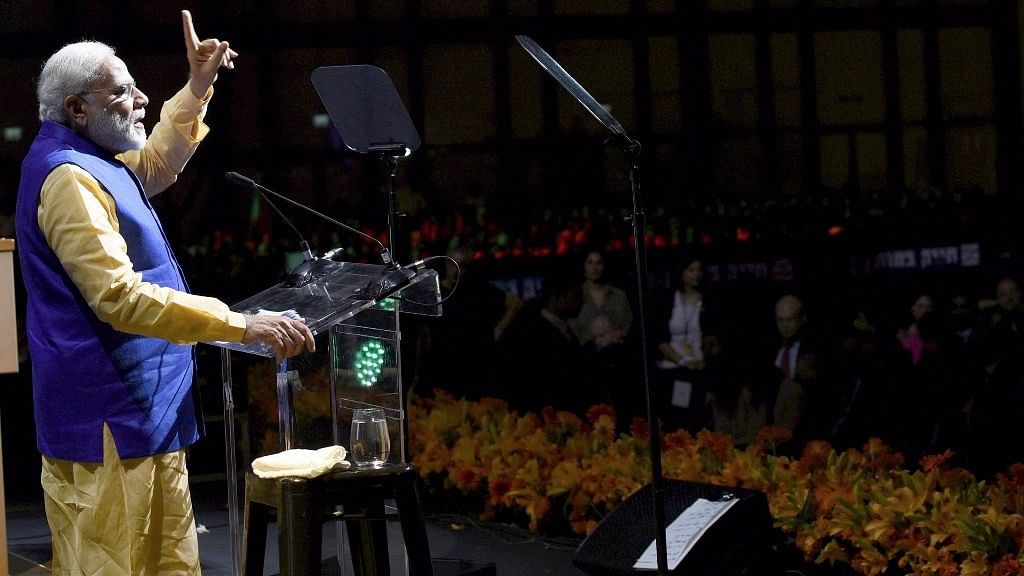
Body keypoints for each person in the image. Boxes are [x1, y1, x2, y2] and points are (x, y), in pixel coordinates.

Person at [15, 12, 315, 574]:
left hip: (143, 416)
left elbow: (154, 164)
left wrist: (198, 86)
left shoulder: (94, 161)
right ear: (78, 109)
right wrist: (237, 325)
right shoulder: (69, 180)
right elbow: (121, 298)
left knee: (167, 564)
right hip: (110, 419)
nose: (142, 99)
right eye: (123, 92)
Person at [651, 256, 722, 432]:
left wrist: (702, 359)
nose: (696, 274)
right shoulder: (668, 300)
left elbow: (714, 338)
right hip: (673, 366)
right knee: (675, 414)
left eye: (699, 269)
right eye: (691, 270)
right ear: (681, 274)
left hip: (700, 366)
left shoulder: (710, 300)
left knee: (698, 413)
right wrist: (682, 361)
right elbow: (659, 339)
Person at [568, 248, 634, 345]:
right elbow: (572, 327)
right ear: (584, 266)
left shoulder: (619, 295)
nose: (594, 268)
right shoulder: (575, 296)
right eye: (590, 263)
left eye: (599, 263)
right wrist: (592, 339)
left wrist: (615, 336)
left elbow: (628, 323)